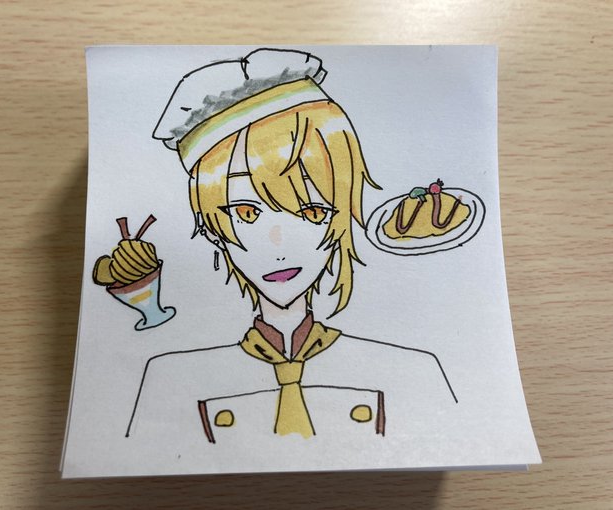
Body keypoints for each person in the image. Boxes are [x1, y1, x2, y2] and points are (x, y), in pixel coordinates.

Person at [126, 48, 456, 448]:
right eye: (246, 212)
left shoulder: (411, 372)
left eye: (312, 211)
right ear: (212, 228)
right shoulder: (171, 380)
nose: (278, 244)